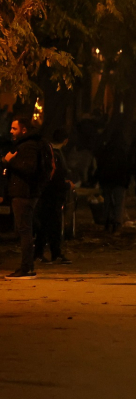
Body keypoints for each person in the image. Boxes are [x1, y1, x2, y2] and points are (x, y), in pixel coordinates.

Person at [2, 115, 46, 278]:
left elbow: (28, 168)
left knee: (24, 230)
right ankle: (28, 266)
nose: (11, 131)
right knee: (25, 229)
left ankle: (26, 268)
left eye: (14, 128)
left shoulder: (28, 146)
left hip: (24, 193)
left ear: (24, 130)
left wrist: (9, 161)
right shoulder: (26, 144)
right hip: (24, 193)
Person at [35, 128, 73, 264]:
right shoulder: (55, 154)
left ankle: (49, 253)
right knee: (50, 225)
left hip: (48, 193)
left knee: (49, 225)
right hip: (52, 194)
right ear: (65, 140)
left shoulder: (49, 151)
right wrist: (67, 185)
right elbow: (56, 177)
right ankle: (45, 253)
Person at [94, 130, 130, 233]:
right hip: (120, 180)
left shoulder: (106, 149)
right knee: (119, 202)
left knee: (108, 201)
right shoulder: (124, 149)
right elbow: (127, 166)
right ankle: (117, 223)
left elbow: (100, 165)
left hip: (107, 180)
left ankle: (108, 222)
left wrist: (97, 179)